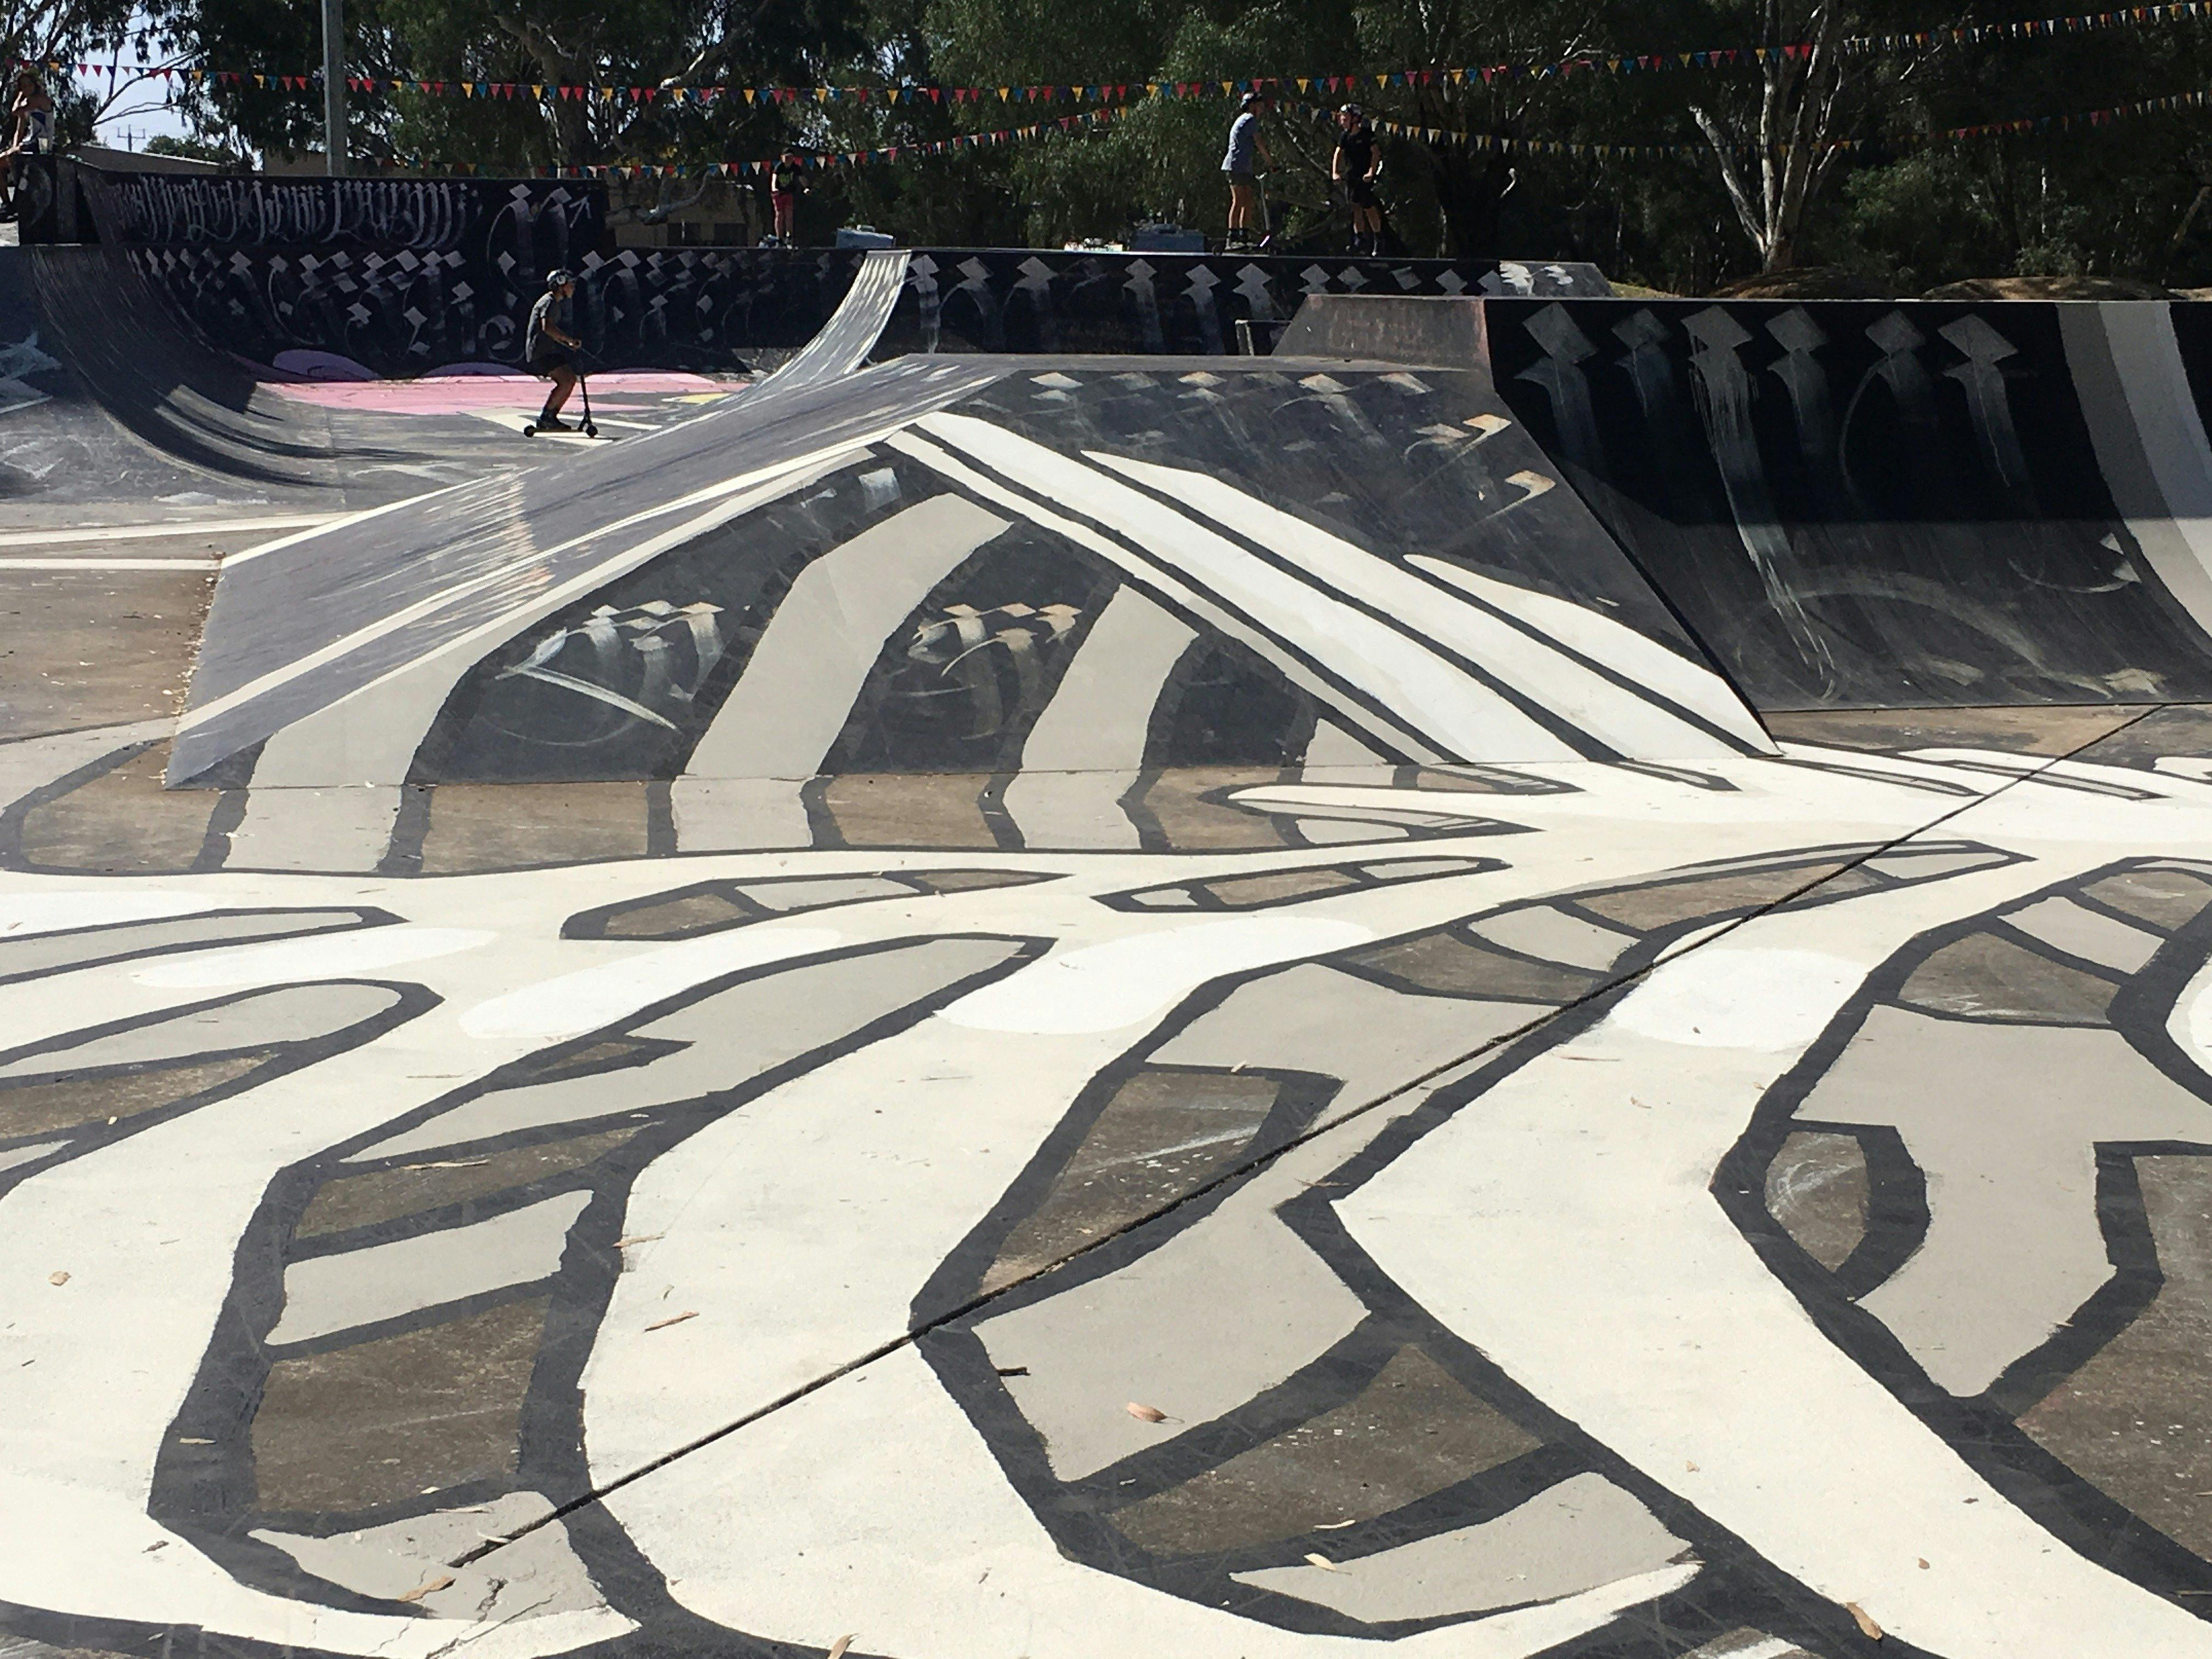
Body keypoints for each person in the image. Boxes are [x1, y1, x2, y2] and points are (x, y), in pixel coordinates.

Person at [526, 269, 584, 431]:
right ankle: (547, 417)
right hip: (541, 353)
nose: (573, 287)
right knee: (566, 380)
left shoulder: (553, 302)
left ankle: (550, 416)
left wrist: (568, 344)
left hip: (546, 351)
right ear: (560, 284)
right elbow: (547, 328)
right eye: (570, 283)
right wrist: (569, 340)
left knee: (569, 380)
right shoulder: (549, 302)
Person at [0, 71, 56, 222]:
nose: (26, 88)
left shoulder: (40, 100)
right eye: (23, 86)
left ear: (35, 85)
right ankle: (7, 203)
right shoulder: (28, 106)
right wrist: (14, 147)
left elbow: (15, 111)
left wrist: (18, 97)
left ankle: (17, 203)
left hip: (42, 143)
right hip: (30, 142)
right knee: (2, 162)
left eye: (29, 85)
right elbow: (20, 128)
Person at [1220, 91, 1272, 248]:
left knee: (1248, 201)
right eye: (1260, 105)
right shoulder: (1249, 119)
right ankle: (1233, 237)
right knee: (1239, 200)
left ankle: (1243, 235)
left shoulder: (1245, 120)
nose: (1262, 108)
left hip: (1242, 166)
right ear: (1252, 106)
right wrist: (1271, 161)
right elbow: (1259, 143)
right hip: (1236, 165)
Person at [1334, 104, 1384, 256]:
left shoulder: (1367, 135)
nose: (1343, 121)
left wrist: (1371, 172)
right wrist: (1335, 173)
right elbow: (1338, 153)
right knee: (1355, 206)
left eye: (1346, 118)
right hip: (1352, 175)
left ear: (1355, 119)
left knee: (1368, 207)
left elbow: (1376, 153)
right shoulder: (1345, 136)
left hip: (1365, 176)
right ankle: (1359, 238)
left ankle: (1378, 238)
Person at [768, 151, 804, 246]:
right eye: (786, 158)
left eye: (790, 158)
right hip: (779, 193)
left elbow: (802, 179)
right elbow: (774, 179)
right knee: (780, 214)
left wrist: (807, 187)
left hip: (789, 193)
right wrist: (774, 189)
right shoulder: (779, 167)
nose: (788, 160)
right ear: (783, 158)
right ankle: (779, 237)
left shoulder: (795, 168)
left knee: (789, 213)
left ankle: (789, 235)